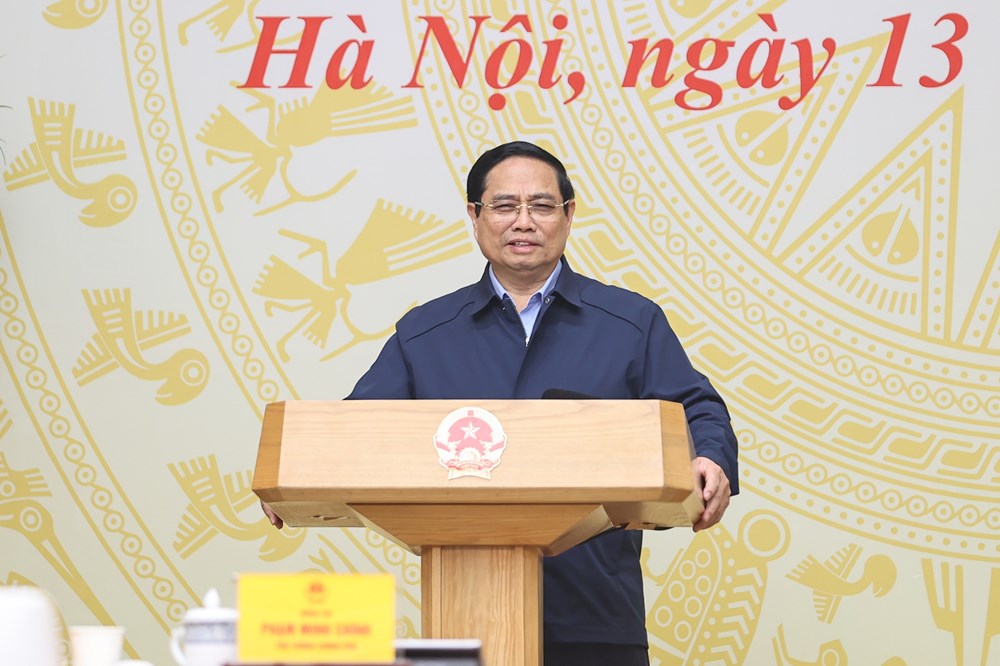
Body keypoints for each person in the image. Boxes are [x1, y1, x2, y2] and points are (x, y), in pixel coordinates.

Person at [262, 140, 738, 666]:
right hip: (464, 617)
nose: (523, 222)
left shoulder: (630, 322)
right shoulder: (426, 333)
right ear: (475, 216)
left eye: (542, 206)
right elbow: (357, 427)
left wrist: (711, 457)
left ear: (568, 215)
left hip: (596, 614)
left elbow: (698, 407)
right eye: (505, 206)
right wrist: (294, 472)